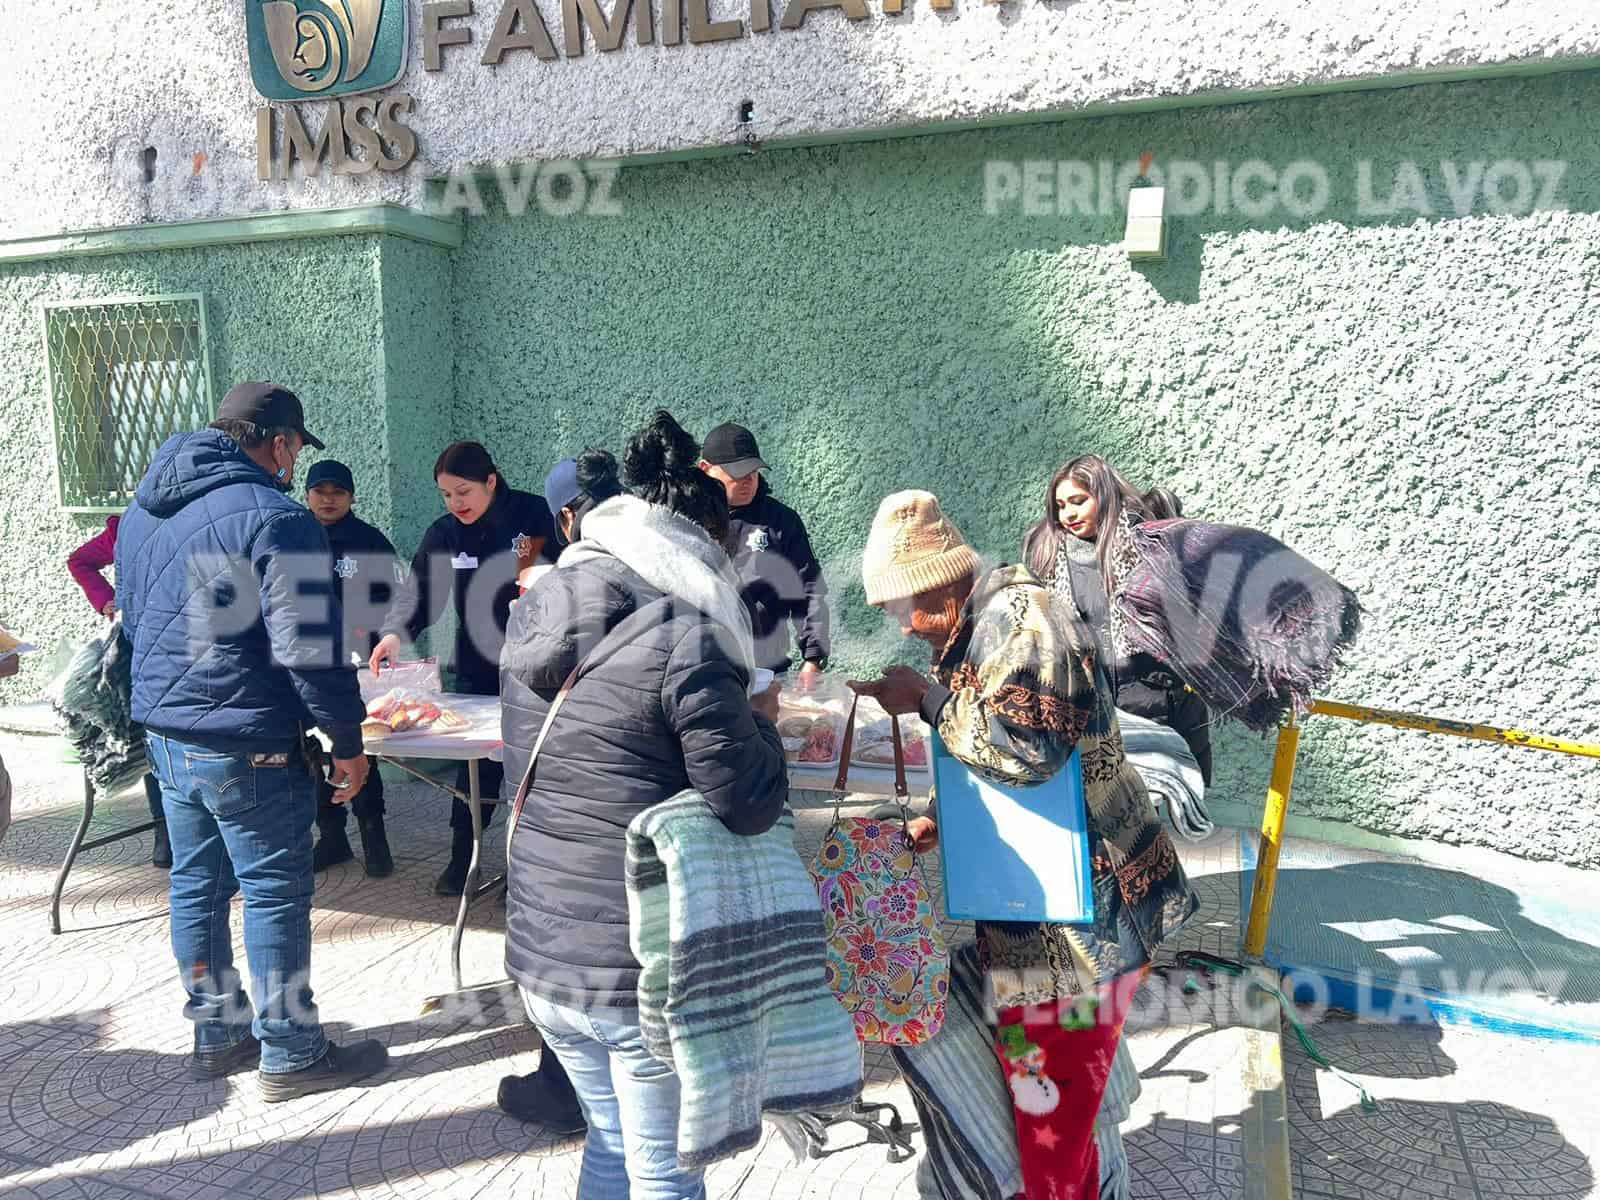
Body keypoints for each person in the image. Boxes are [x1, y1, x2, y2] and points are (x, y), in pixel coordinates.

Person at [850, 490, 1197, 1200]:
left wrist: (924, 700)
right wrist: (942, 817)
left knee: (1052, 1128)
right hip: (1039, 924)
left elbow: (1028, 748)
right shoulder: (981, 625)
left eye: (896, 608)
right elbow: (1008, 761)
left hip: (1080, 931)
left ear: (934, 584)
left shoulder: (1021, 619)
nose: (900, 626)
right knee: (1050, 1108)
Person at [501, 410, 788, 1199]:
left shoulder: (537, 601)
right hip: (635, 957)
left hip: (542, 947)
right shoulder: (687, 636)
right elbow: (744, 798)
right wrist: (764, 731)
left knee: (613, 1143)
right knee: (665, 1172)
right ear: (699, 542)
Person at [115, 381, 388, 1099]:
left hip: (168, 735)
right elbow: (310, 648)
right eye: (296, 445)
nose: (296, 459)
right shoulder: (278, 518)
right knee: (273, 891)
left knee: (196, 887)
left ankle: (217, 1033)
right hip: (247, 739)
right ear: (275, 442)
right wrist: (347, 740)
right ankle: (292, 1051)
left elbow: (137, 621)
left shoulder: (145, 508)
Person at [369, 441, 557, 896]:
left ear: (491, 481)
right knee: (476, 771)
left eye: (464, 491)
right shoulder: (446, 534)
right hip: (476, 668)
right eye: (447, 495)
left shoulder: (535, 517)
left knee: (536, 770)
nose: (457, 504)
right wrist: (394, 634)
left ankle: (533, 870)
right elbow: (420, 595)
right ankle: (462, 858)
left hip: (540, 667)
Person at [1023, 455, 1214, 784]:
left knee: (1154, 798)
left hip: (1153, 693)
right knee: (1104, 801)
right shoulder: (1052, 556)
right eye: (1060, 506)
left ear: (1105, 496)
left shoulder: (1150, 544)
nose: (1068, 514)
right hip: (1091, 700)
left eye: (1079, 501)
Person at [304, 459, 399, 877]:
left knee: (359, 748)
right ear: (307, 495)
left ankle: (374, 840)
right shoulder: (292, 534)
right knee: (314, 754)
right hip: (305, 663)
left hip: (359, 662)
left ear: (352, 496)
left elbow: (396, 597)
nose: (328, 500)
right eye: (320, 491)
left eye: (338, 492)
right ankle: (332, 837)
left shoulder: (369, 541)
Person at [66, 516, 170, 868]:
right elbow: (80, 561)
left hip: (191, 645)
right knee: (152, 740)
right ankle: (164, 832)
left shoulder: (202, 517)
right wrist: (107, 601)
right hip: (139, 649)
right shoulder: (128, 525)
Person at [698, 422, 830, 684]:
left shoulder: (781, 521)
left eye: (753, 472)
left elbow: (809, 591)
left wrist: (813, 658)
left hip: (767, 672)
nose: (748, 481)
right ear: (706, 469)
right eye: (737, 473)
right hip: (703, 670)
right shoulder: (689, 520)